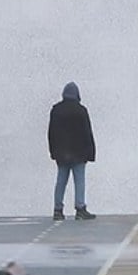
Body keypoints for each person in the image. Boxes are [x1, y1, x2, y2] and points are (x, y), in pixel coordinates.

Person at [48, 81, 97, 220]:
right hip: (79, 153)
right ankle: (80, 208)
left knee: (61, 180)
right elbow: (87, 133)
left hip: (62, 153)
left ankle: (58, 210)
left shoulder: (56, 110)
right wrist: (91, 152)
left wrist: (53, 152)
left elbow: (51, 133)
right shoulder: (81, 110)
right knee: (79, 181)